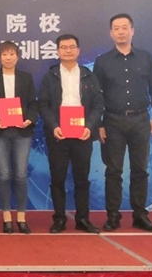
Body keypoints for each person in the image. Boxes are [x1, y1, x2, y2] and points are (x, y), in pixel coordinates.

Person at [94, 13, 152, 233]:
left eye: (125, 27)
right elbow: (96, 96)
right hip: (112, 121)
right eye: (116, 28)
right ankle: (112, 216)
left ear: (132, 30)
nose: (121, 32)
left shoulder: (146, 57)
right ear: (111, 33)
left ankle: (140, 215)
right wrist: (99, 124)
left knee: (140, 170)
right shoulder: (102, 61)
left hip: (140, 120)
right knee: (113, 170)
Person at [38, 34, 104, 234]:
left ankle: (83, 219)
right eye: (64, 47)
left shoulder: (88, 75)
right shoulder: (50, 76)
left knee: (81, 179)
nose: (68, 50)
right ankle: (59, 219)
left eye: (72, 47)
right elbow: (43, 104)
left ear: (78, 50)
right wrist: (53, 126)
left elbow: (98, 104)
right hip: (58, 134)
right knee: (57, 179)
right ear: (57, 51)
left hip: (82, 133)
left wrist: (89, 126)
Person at [0, 41, 38, 234]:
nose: (8, 58)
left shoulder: (26, 77)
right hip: (0, 132)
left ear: (18, 57)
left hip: (22, 131)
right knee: (4, 175)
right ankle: (6, 217)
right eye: (4, 54)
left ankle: (21, 217)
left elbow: (33, 104)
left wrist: (29, 119)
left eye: (12, 54)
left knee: (21, 175)